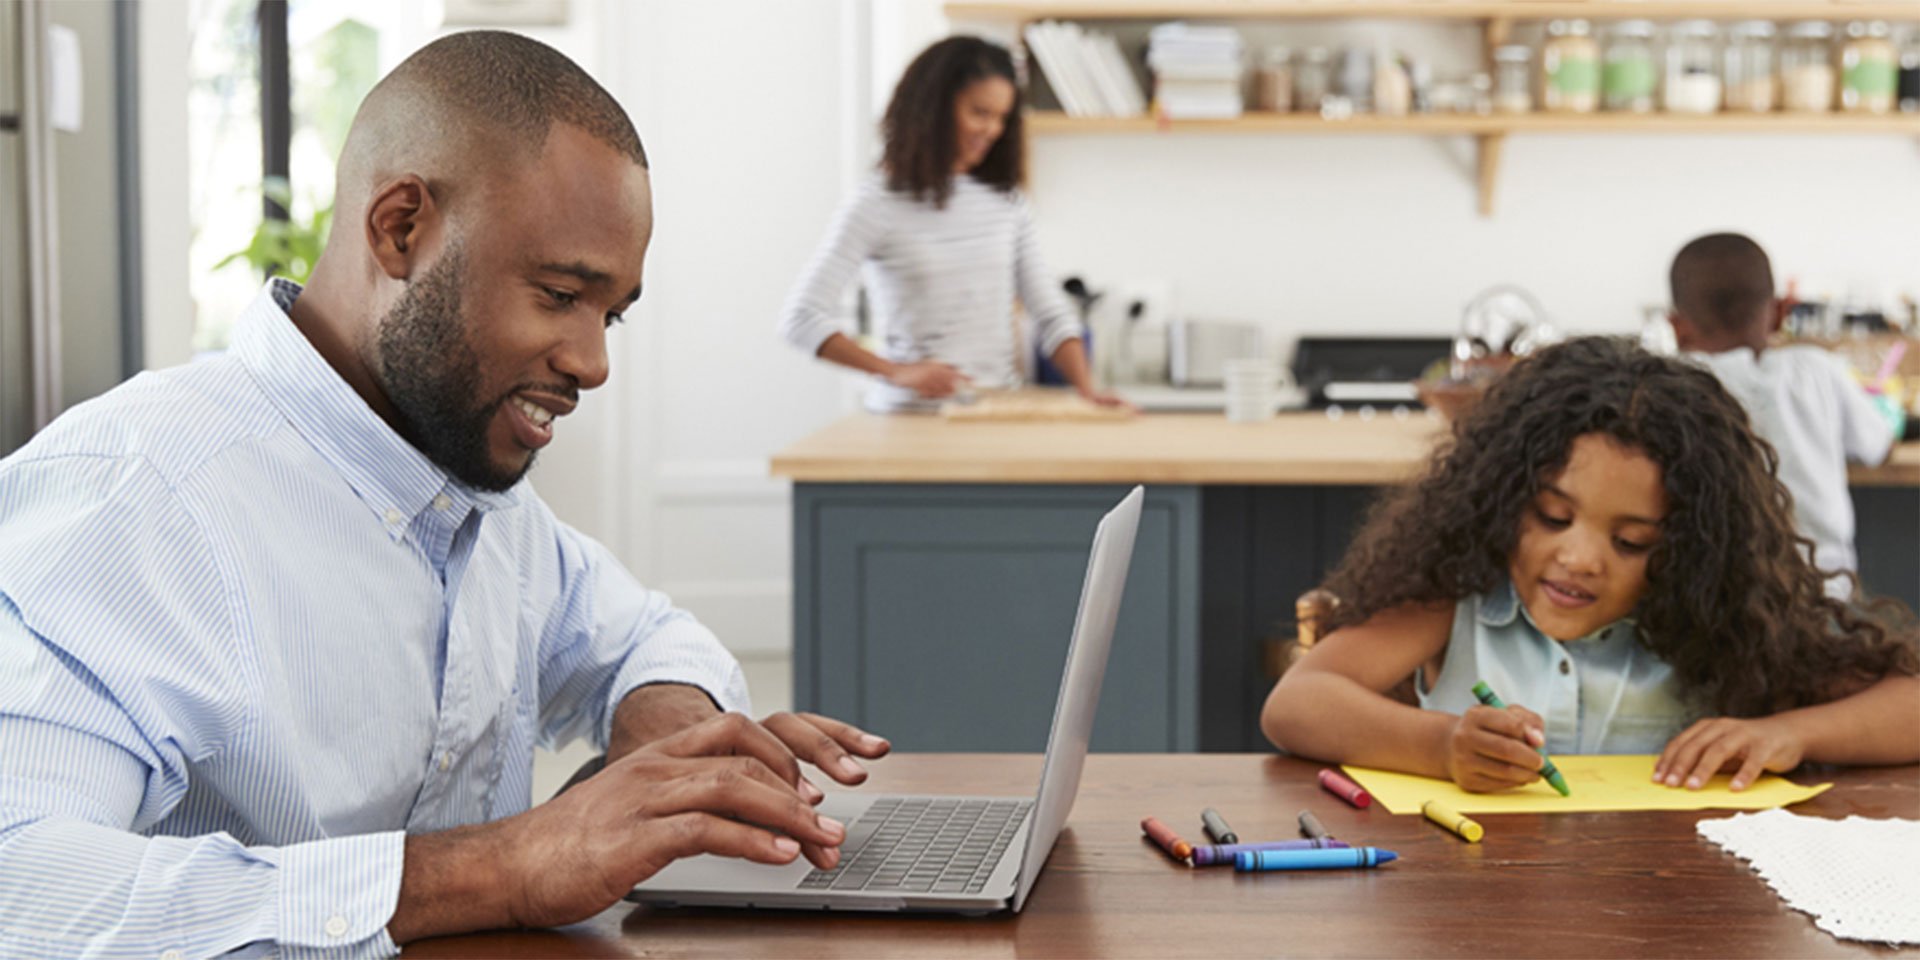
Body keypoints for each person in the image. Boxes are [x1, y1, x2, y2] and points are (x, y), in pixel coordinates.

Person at [0, 32, 888, 957]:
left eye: (610, 313)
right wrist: (506, 866)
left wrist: (672, 740)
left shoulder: (464, 484)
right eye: (557, 294)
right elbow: (16, 886)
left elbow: (644, 637)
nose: (593, 362)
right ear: (400, 229)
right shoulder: (129, 499)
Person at [1260, 337, 1919, 794]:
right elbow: (1298, 704)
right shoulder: (1457, 600)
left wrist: (1791, 734)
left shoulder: (1726, 623)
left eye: (1631, 542)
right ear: (1502, 499)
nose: (1579, 560)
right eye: (1551, 516)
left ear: (1692, 548)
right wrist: (1441, 747)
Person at [777, 35, 1125, 412]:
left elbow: (1050, 313)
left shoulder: (1006, 203)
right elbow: (801, 317)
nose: (991, 130)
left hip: (990, 414)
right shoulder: (877, 203)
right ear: (935, 109)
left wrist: (1087, 388)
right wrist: (895, 371)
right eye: (979, 112)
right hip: (909, 420)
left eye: (1001, 118)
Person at [1667, 232, 1897, 597]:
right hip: (1825, 595)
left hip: (1717, 602)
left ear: (1676, 326)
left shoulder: (1672, 386)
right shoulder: (1818, 370)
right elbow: (1878, 443)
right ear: (1779, 312)